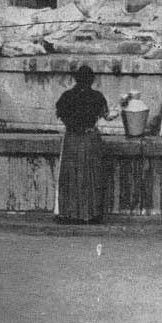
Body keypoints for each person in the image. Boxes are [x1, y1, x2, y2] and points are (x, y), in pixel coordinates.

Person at [54, 65, 114, 224]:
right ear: (92, 80)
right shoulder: (97, 97)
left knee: (71, 175)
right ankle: (90, 213)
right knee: (91, 176)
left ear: (75, 79)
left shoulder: (66, 96)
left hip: (72, 139)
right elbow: (108, 116)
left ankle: (69, 212)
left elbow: (60, 114)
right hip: (89, 138)